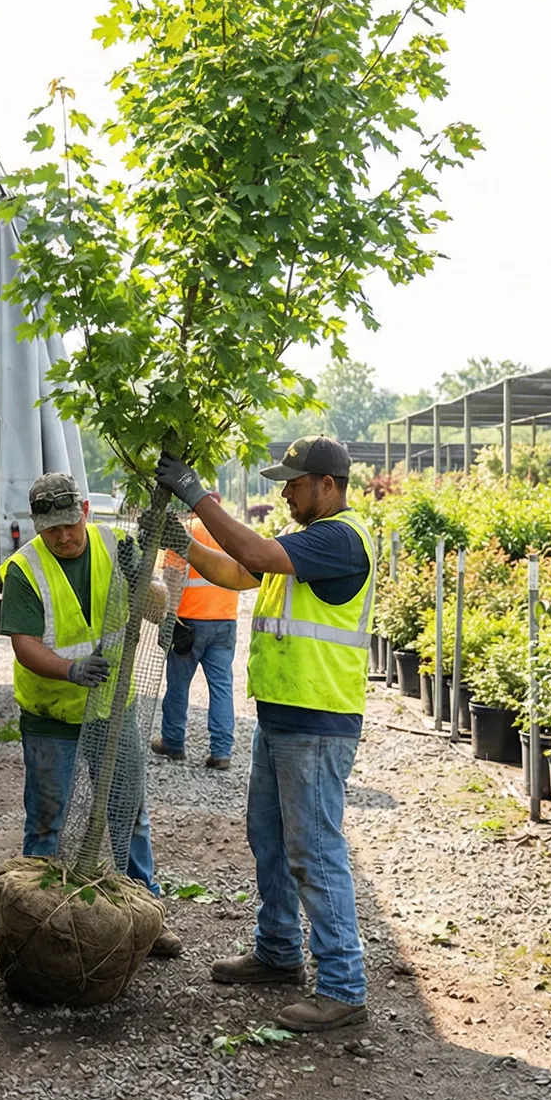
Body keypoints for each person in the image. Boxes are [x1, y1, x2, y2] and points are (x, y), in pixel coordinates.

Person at [155, 436, 375, 1033]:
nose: (285, 492)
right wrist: (184, 545)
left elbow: (249, 545)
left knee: (315, 851)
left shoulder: (341, 538)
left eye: (294, 483)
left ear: (327, 484)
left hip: (318, 719)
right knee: (270, 839)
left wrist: (195, 494)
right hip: (282, 715)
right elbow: (236, 568)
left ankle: (343, 986)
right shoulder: (305, 542)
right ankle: (278, 951)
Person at [0, 472, 183, 959]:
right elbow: (24, 647)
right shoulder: (24, 569)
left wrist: (140, 570)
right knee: (47, 821)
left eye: (68, 524)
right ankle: (37, 923)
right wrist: (70, 669)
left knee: (129, 812)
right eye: (50, 529)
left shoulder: (113, 544)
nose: (63, 537)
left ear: (84, 510)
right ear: (38, 525)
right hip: (51, 716)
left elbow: (156, 609)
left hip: (111, 710)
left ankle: (146, 914)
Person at [152, 512, 239, 770]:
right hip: (225, 620)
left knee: (178, 686)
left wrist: (169, 618)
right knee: (222, 687)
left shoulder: (185, 531)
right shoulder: (232, 530)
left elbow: (173, 578)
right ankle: (222, 751)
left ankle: (173, 743)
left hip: (189, 623)